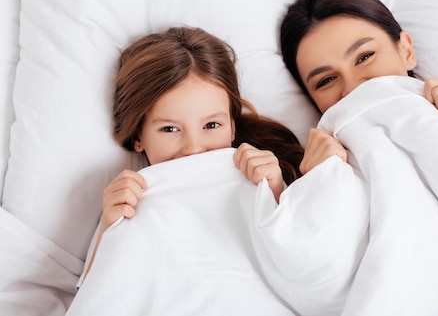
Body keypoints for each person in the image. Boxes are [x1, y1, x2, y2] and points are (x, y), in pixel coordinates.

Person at [82, 26, 304, 281]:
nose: (194, 149)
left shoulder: (260, 177)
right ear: (137, 137)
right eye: (170, 129)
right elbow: (94, 296)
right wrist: (110, 226)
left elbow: (301, 264)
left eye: (211, 125)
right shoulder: (130, 199)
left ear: (232, 126)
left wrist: (274, 191)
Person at [280, 0, 438, 173]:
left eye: (364, 57)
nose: (354, 86)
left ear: (406, 50)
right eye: (326, 80)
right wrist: (318, 186)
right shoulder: (322, 175)